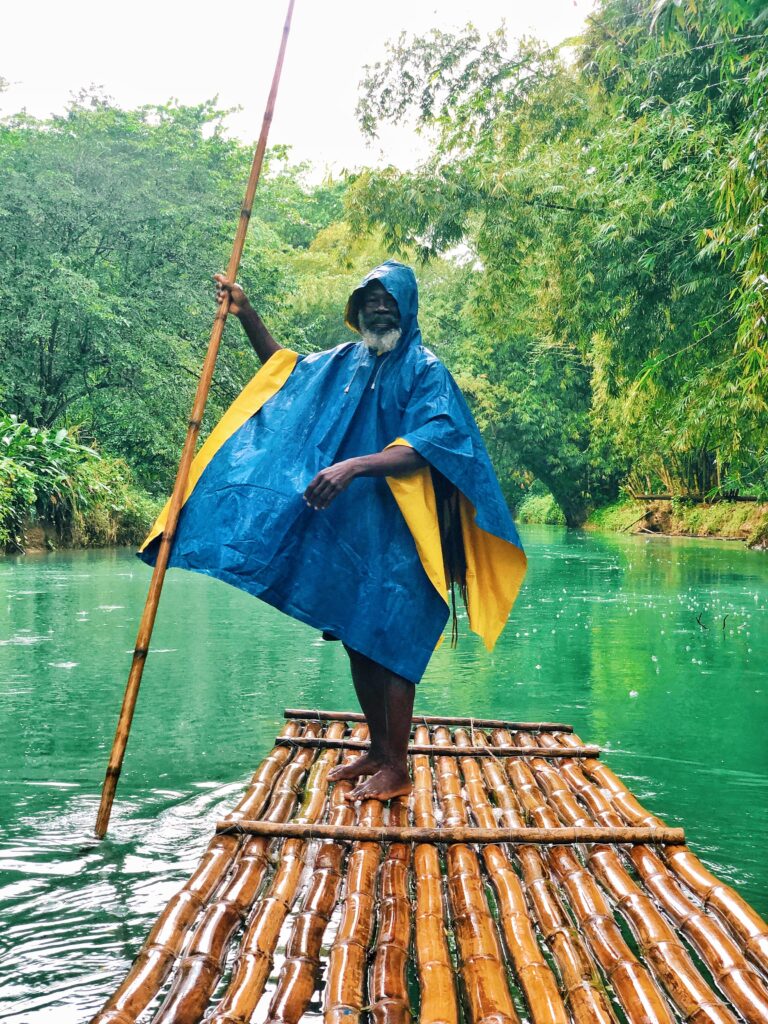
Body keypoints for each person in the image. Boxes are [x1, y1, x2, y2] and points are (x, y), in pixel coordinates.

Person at [139, 261, 526, 801]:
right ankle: (378, 749)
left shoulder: (424, 369)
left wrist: (354, 466)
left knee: (393, 638)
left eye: (389, 301)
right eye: (370, 300)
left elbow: (437, 439)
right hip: (352, 530)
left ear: (408, 309)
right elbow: (283, 373)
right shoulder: (343, 363)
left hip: (406, 532)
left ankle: (397, 765)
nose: (379, 308)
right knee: (358, 636)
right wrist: (246, 312)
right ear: (356, 309)